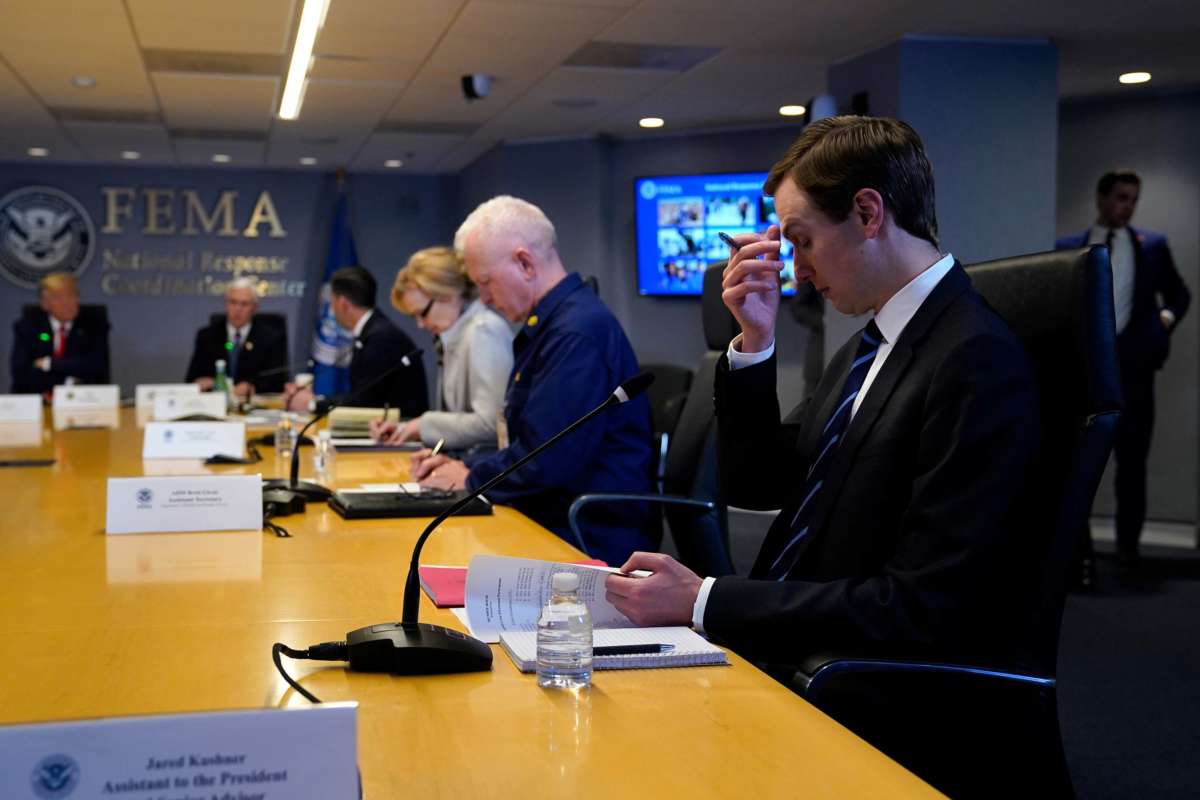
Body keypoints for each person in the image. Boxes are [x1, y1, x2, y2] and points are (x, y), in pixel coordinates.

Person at [605, 116, 1040, 668]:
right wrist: (756, 340)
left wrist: (705, 600)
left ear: (866, 213)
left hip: (853, 679)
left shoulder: (974, 358)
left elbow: (922, 605)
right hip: (789, 642)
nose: (799, 271)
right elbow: (762, 483)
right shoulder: (871, 344)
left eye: (802, 242)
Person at [410, 196, 654, 566]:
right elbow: (534, 442)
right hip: (555, 513)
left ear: (525, 263)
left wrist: (473, 476)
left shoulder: (575, 333)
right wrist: (469, 467)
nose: (486, 299)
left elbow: (549, 460)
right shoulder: (551, 327)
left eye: (486, 283)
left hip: (585, 533)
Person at [1058, 171, 1189, 572]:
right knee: (1076, 467)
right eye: (1120, 197)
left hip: (1134, 371)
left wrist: (1163, 320)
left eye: (1133, 199)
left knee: (1132, 466)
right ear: (1101, 199)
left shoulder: (1152, 246)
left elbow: (1179, 294)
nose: (1127, 206)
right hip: (1083, 373)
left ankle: (1128, 552)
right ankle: (1077, 556)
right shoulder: (1068, 248)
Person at [368, 246, 513, 453]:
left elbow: (491, 424)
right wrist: (407, 428)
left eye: (423, 313)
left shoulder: (484, 331)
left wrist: (423, 425)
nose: (420, 324)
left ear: (449, 295)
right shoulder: (457, 333)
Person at [283, 266, 428, 416]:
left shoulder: (380, 338)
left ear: (343, 304)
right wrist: (315, 400)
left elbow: (364, 403)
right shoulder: (375, 329)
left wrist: (312, 404)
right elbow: (363, 395)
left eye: (331, 303)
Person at [184, 277, 288, 398]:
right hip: (216, 404)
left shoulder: (271, 338)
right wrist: (207, 383)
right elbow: (191, 379)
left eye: (244, 304)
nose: (238, 309)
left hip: (255, 407)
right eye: (233, 302)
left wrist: (251, 387)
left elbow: (277, 381)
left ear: (255, 307)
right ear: (226, 304)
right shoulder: (207, 336)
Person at [10, 272, 110, 395]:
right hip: (37, 401)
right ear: (45, 304)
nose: (67, 302)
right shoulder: (28, 328)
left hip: (83, 400)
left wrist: (49, 363)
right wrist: (69, 380)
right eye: (58, 297)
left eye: (72, 295)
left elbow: (95, 366)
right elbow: (21, 373)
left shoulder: (94, 326)